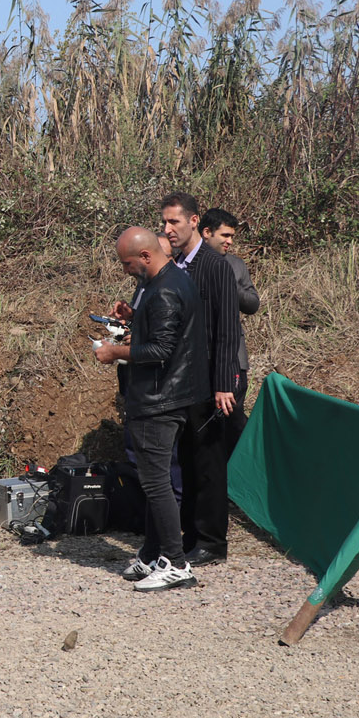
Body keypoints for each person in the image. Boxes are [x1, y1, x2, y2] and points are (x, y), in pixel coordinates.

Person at [95, 228, 208, 591]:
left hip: (159, 401)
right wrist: (134, 318)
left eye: (127, 264)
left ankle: (176, 563)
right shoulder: (171, 281)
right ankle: (150, 554)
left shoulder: (166, 290)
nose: (126, 270)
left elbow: (161, 350)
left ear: (145, 257)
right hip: (168, 396)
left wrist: (114, 352)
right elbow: (162, 333)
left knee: (157, 482)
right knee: (152, 479)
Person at [161, 192, 240, 566]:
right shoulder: (176, 265)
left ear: (194, 222)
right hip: (184, 381)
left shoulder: (215, 266)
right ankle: (192, 536)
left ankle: (212, 542)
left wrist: (224, 383)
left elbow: (227, 329)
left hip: (212, 382)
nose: (167, 229)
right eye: (164, 223)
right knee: (189, 463)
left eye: (173, 222)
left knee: (209, 463)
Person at [199, 208, 259, 455]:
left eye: (232, 236)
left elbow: (253, 303)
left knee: (232, 423)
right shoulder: (186, 264)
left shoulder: (235, 265)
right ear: (206, 232)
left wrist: (228, 284)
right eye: (225, 235)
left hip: (234, 361)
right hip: (200, 359)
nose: (230, 241)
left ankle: (238, 479)